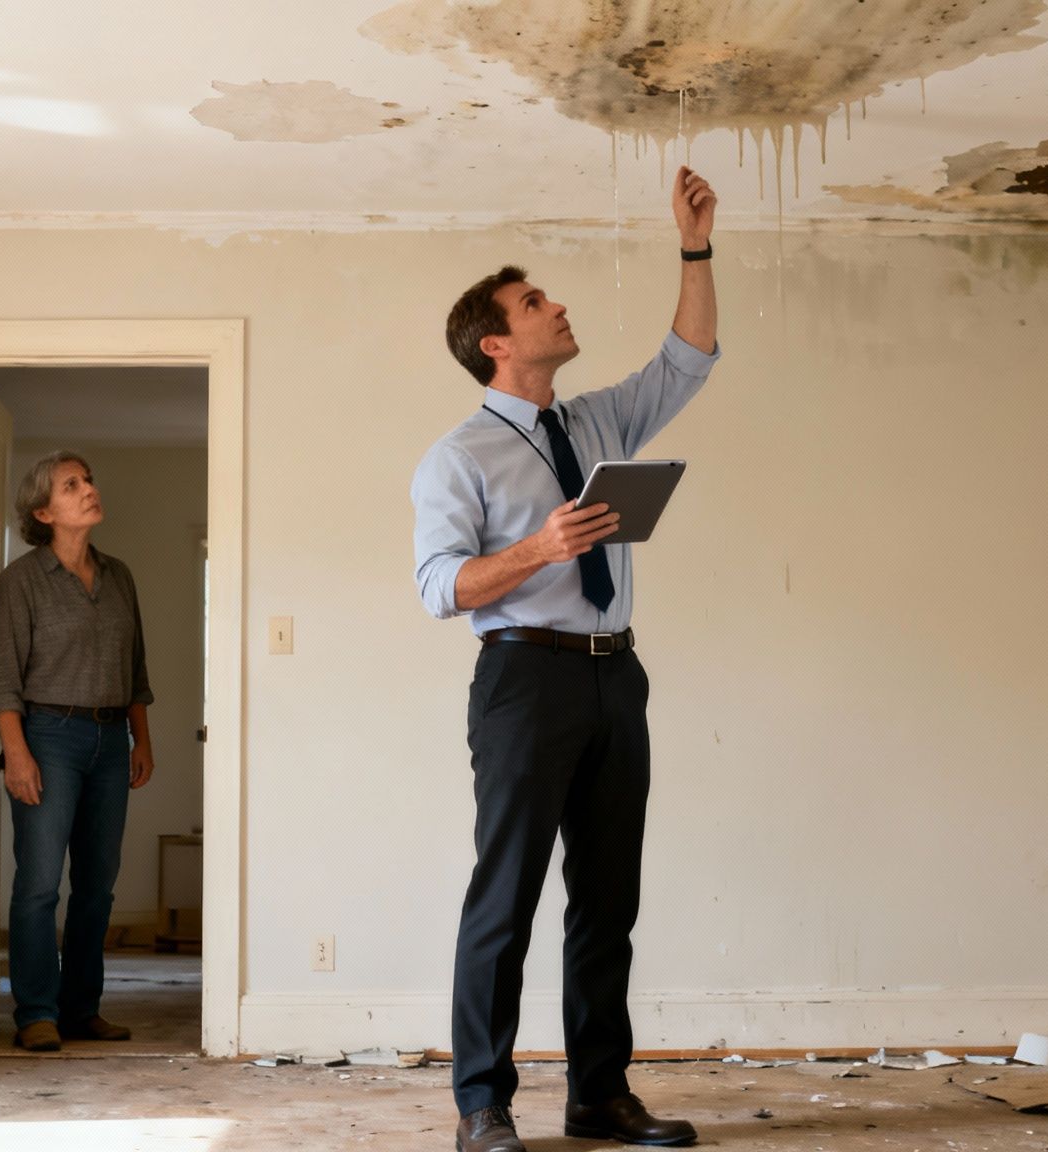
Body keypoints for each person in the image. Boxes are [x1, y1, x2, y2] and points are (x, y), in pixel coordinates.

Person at [410, 166, 720, 1151]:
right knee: (503, 896)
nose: (558, 306)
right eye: (535, 302)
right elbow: (437, 586)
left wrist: (694, 246)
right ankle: (480, 1107)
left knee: (606, 898)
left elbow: (688, 358)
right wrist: (539, 549)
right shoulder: (456, 457)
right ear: (495, 342)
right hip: (523, 678)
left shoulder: (593, 421)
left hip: (611, 673)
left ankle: (598, 1096)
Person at [0, 450, 157, 1052]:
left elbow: (135, 669)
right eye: (71, 485)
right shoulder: (21, 582)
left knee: (97, 885)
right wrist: (17, 753)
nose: (88, 490)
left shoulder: (120, 577)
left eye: (89, 480)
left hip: (112, 741)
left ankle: (82, 1009)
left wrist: (142, 738)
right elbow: (2, 678)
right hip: (47, 738)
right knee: (38, 884)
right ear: (43, 511)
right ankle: (36, 1012)